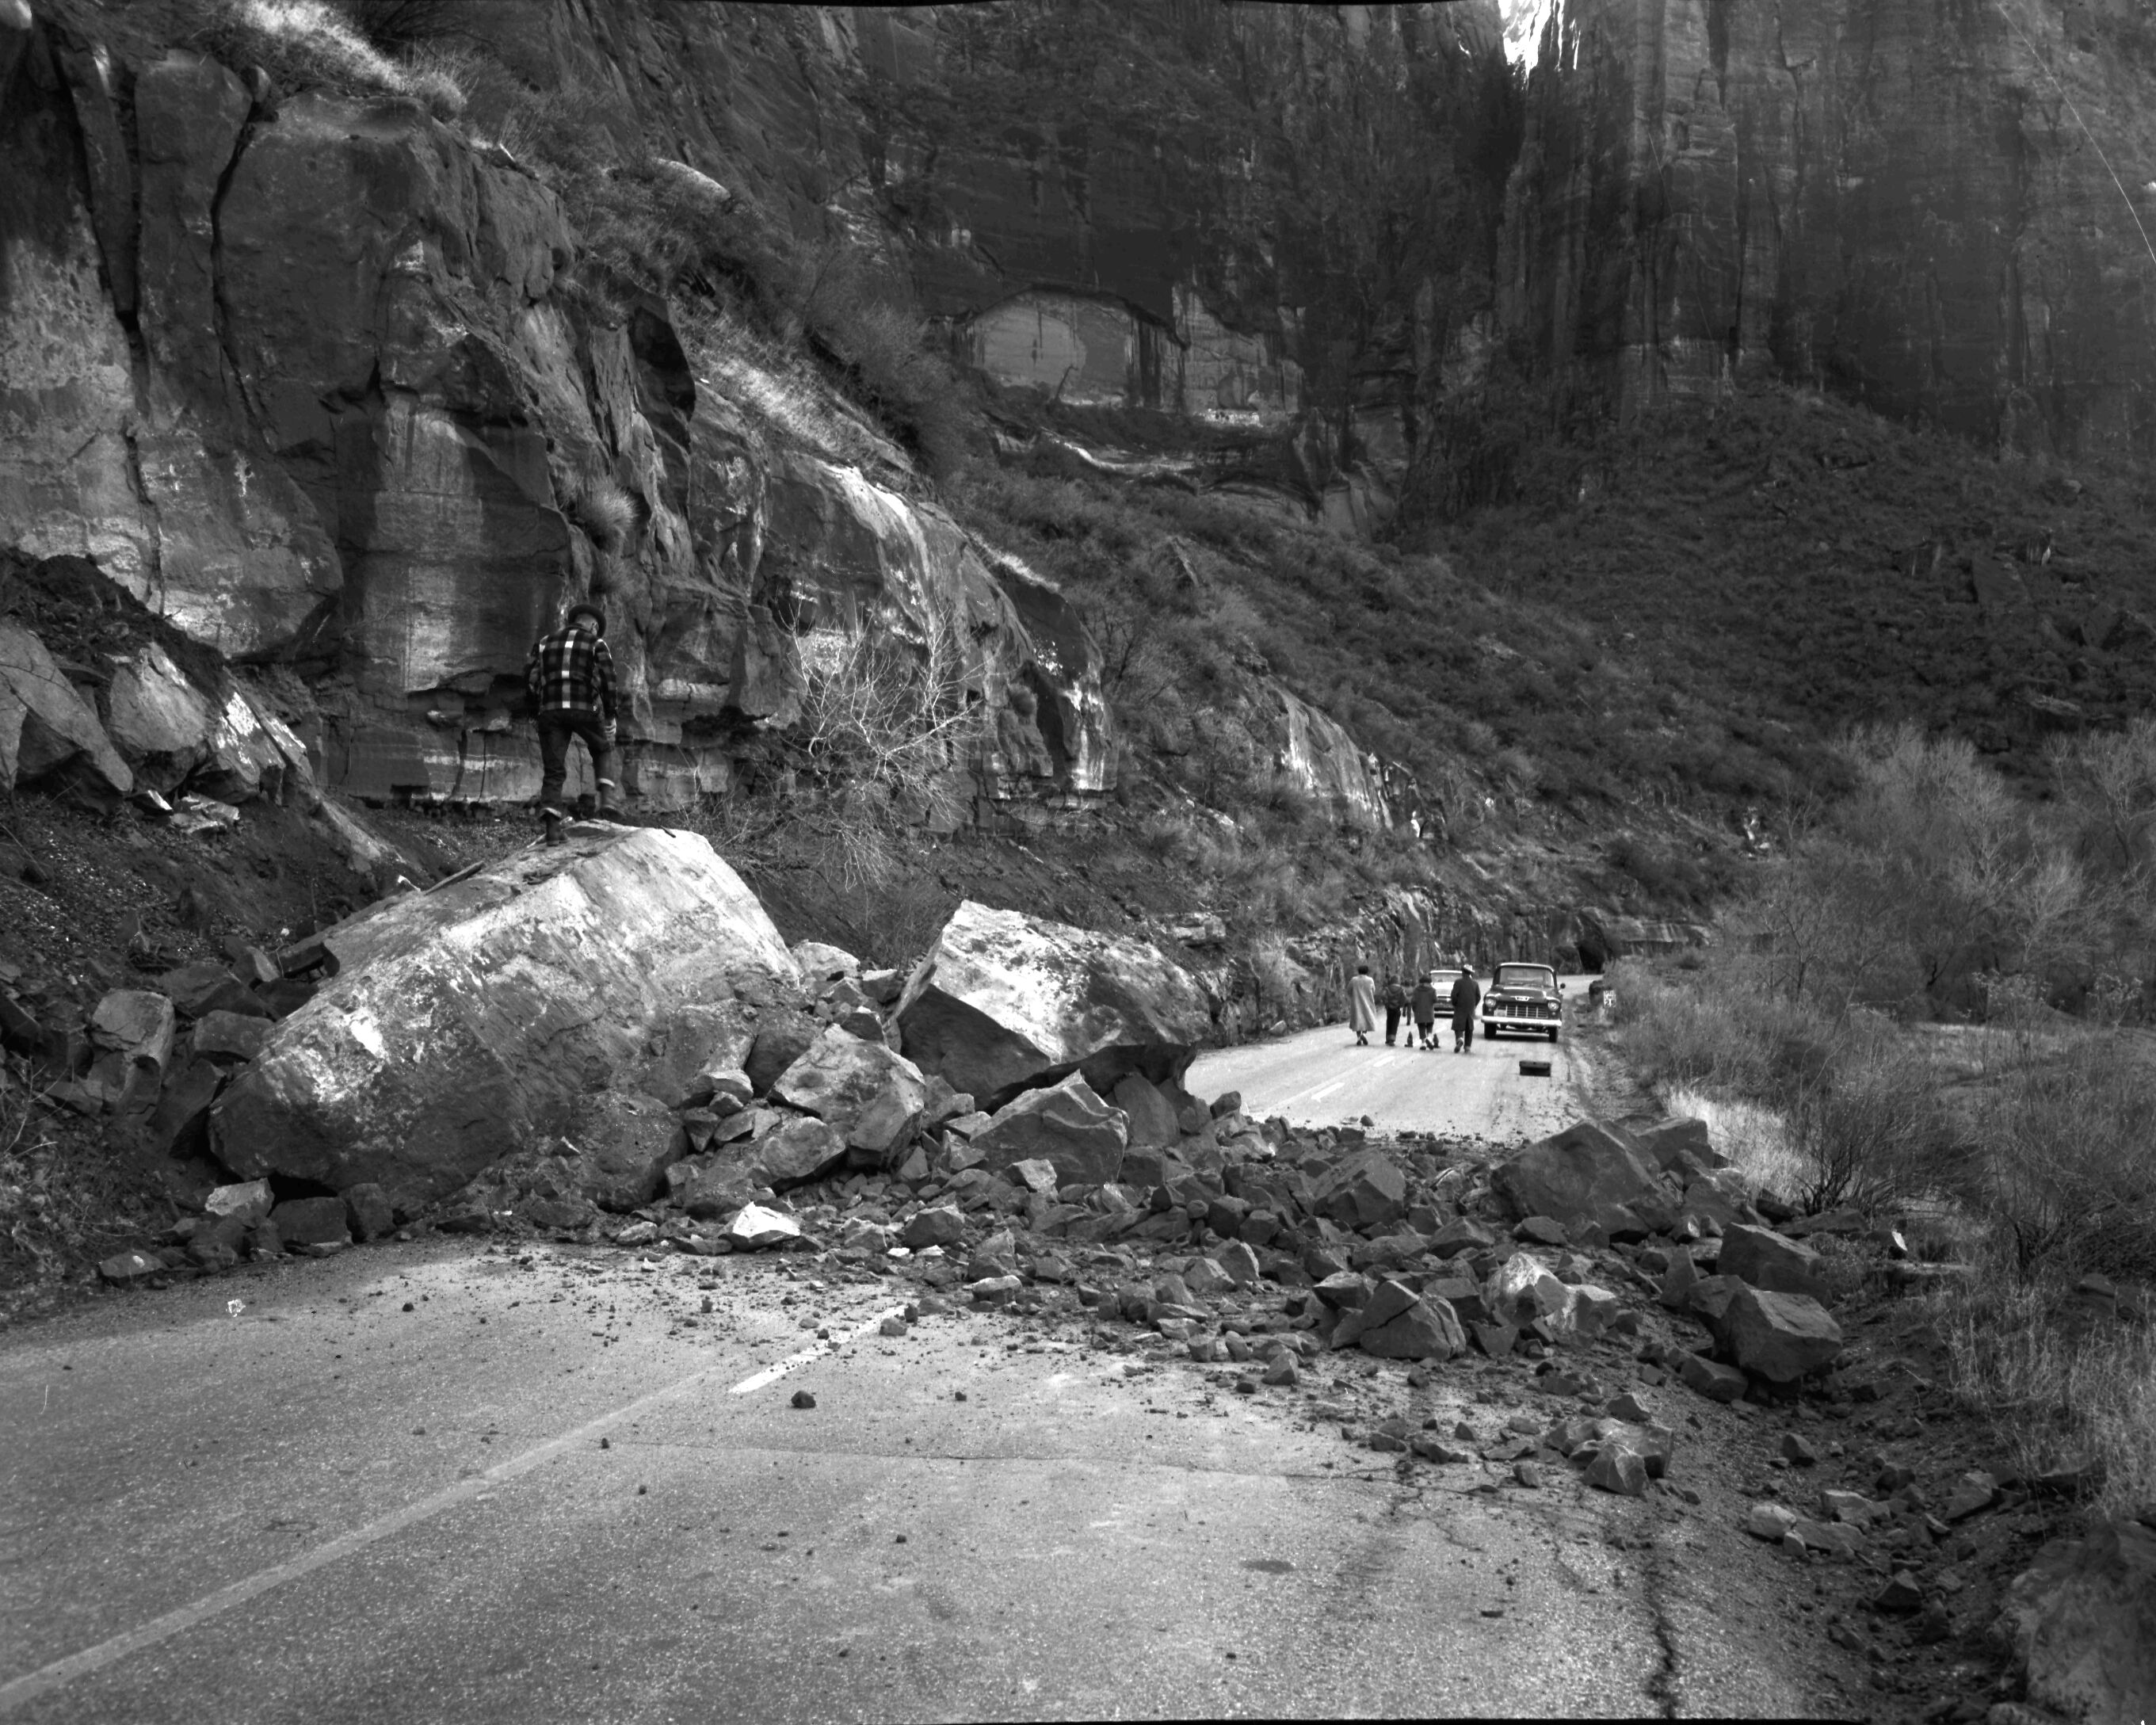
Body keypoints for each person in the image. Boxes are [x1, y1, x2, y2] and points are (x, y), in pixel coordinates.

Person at [525, 601, 620, 843]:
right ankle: (607, 800)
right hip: (583, 708)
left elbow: (531, 677)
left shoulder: (544, 643)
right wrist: (611, 715)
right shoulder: (596, 643)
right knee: (602, 747)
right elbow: (609, 679)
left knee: (554, 770)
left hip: (550, 712)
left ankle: (552, 829)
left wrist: (537, 707)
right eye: (596, 628)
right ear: (593, 625)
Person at [1452, 961, 1482, 1052]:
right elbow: (1478, 996)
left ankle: (1460, 1039)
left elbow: (1454, 995)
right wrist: (1474, 1004)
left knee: (1458, 1025)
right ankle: (1468, 1046)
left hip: (1460, 1007)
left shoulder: (1458, 982)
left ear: (1463, 972)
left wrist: (1455, 1003)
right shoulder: (1475, 984)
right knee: (1469, 1027)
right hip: (1470, 1008)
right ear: (1470, 973)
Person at [1348, 963, 1378, 1046]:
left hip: (1356, 1002)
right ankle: (1363, 1034)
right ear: (1367, 972)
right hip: (1368, 1002)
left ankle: (1359, 1038)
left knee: (1358, 1020)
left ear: (1358, 971)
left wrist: (1353, 996)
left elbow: (1349, 990)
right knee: (1367, 1019)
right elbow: (1373, 990)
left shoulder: (1354, 980)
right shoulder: (1370, 980)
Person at [1410, 971, 1438, 1050]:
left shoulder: (1416, 990)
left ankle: (1423, 1043)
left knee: (1421, 1026)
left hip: (1419, 1011)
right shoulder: (1432, 990)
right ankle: (1429, 1038)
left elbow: (1413, 1001)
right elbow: (1435, 1000)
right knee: (1430, 1024)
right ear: (1429, 982)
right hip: (1429, 1011)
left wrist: (1414, 1009)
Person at [1379, 973, 1406, 1046]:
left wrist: (1386, 1003)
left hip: (1389, 1007)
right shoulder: (1401, 989)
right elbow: (1404, 998)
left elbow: (1383, 995)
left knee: (1389, 1022)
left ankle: (1388, 1038)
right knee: (1395, 1023)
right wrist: (1401, 1005)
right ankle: (1392, 1039)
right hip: (1397, 1008)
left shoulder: (1387, 989)